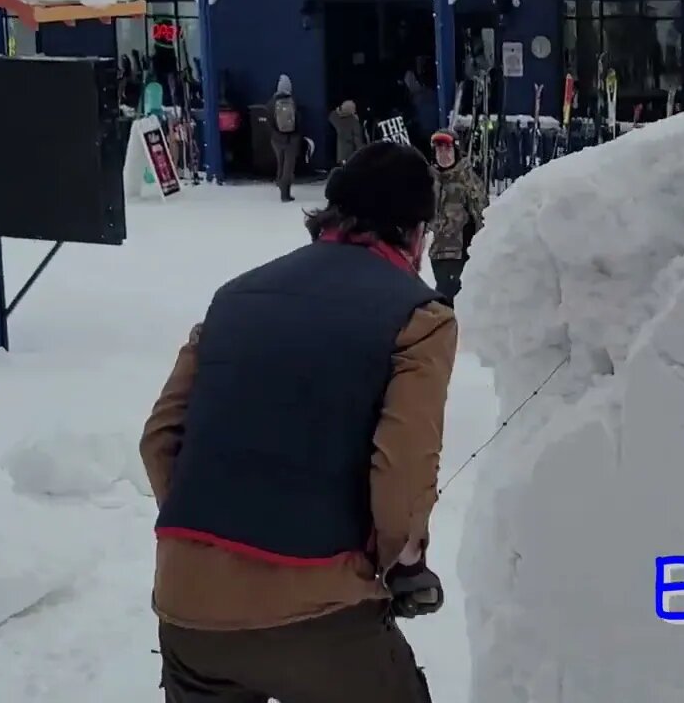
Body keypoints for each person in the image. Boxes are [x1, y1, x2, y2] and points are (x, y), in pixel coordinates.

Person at [141, 140, 455, 703]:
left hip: (188, 610)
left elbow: (160, 439)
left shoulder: (232, 298)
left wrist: (211, 535)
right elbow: (403, 477)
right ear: (413, 234)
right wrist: (400, 564)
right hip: (320, 613)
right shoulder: (419, 316)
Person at [427, 129, 487, 306]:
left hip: (459, 254)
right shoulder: (429, 180)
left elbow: (483, 214)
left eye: (447, 149)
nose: (443, 155)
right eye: (439, 150)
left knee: (451, 302)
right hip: (437, 253)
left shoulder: (467, 180)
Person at [268, 74, 299, 202]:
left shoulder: (271, 102)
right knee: (288, 166)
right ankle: (285, 194)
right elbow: (298, 120)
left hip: (276, 139)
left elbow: (269, 120)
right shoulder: (292, 101)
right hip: (291, 139)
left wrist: (275, 132)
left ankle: (280, 184)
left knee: (280, 164)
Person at [328, 99, 366, 165]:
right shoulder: (353, 121)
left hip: (340, 154)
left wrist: (338, 110)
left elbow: (332, 115)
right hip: (350, 153)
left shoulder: (334, 117)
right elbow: (357, 138)